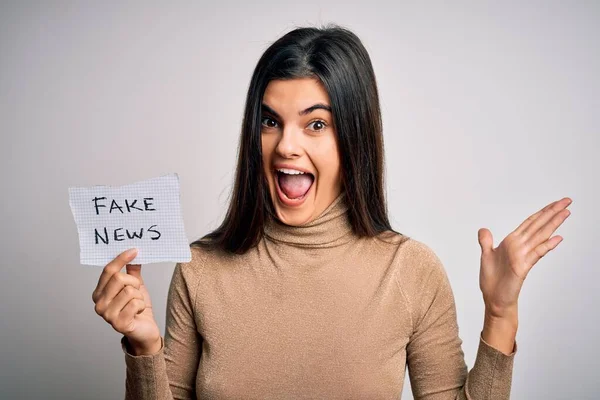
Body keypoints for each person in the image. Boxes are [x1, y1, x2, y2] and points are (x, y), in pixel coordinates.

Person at [92, 24, 572, 399]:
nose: (286, 146)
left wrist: (501, 312)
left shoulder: (410, 270)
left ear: (354, 138)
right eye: (270, 122)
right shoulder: (201, 270)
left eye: (315, 124)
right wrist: (144, 348)